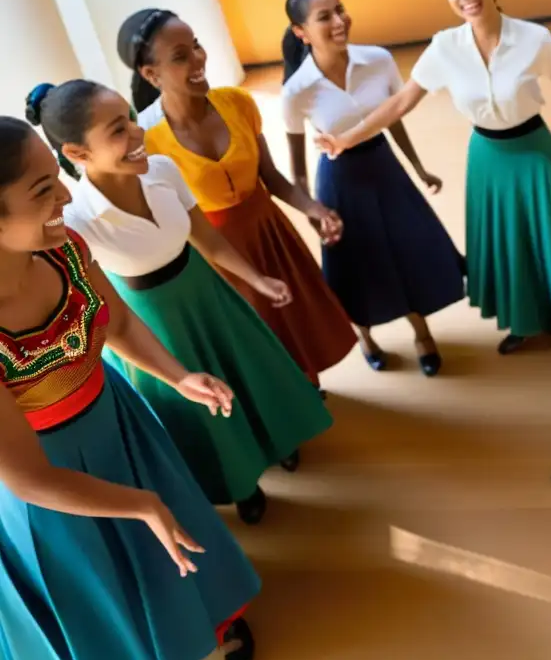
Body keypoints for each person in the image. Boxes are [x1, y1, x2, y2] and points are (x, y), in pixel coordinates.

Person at [0, 116, 259, 660]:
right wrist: (138, 503)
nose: (66, 197)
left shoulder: (62, 247)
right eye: (44, 190)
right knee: (103, 584)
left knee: (168, 549)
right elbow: (25, 478)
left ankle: (202, 632)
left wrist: (178, 376)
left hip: (116, 421)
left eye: (58, 178)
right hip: (50, 483)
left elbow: (114, 321)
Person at [27, 78, 335, 525]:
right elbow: (100, 304)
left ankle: (277, 443)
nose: (136, 134)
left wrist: (257, 279)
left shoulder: (163, 169)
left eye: (131, 119)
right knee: (202, 408)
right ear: (77, 153)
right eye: (117, 130)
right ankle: (242, 482)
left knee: (251, 377)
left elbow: (205, 236)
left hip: (207, 293)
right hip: (154, 321)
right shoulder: (77, 220)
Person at [315, 0, 551, 354]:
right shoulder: (444, 48)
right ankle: (524, 321)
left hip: (533, 151)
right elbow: (402, 102)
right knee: (506, 244)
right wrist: (348, 137)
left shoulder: (535, 38)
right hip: (486, 156)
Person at [116, 8, 357, 391]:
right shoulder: (146, 137)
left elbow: (271, 176)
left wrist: (314, 208)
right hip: (212, 253)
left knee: (293, 323)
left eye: (196, 45)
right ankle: (285, 411)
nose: (198, 59)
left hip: (269, 231)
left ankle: (305, 394)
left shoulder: (238, 103)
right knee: (252, 338)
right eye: (180, 56)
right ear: (151, 74)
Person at [281, 0, 465, 375]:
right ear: (301, 32)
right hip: (340, 179)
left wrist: (417, 168)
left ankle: (422, 333)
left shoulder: (377, 60)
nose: (339, 20)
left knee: (407, 250)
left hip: (384, 168)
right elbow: (296, 168)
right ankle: (366, 337)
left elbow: (392, 115)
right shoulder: (296, 91)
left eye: (340, 9)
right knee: (356, 266)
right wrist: (314, 211)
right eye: (323, 16)